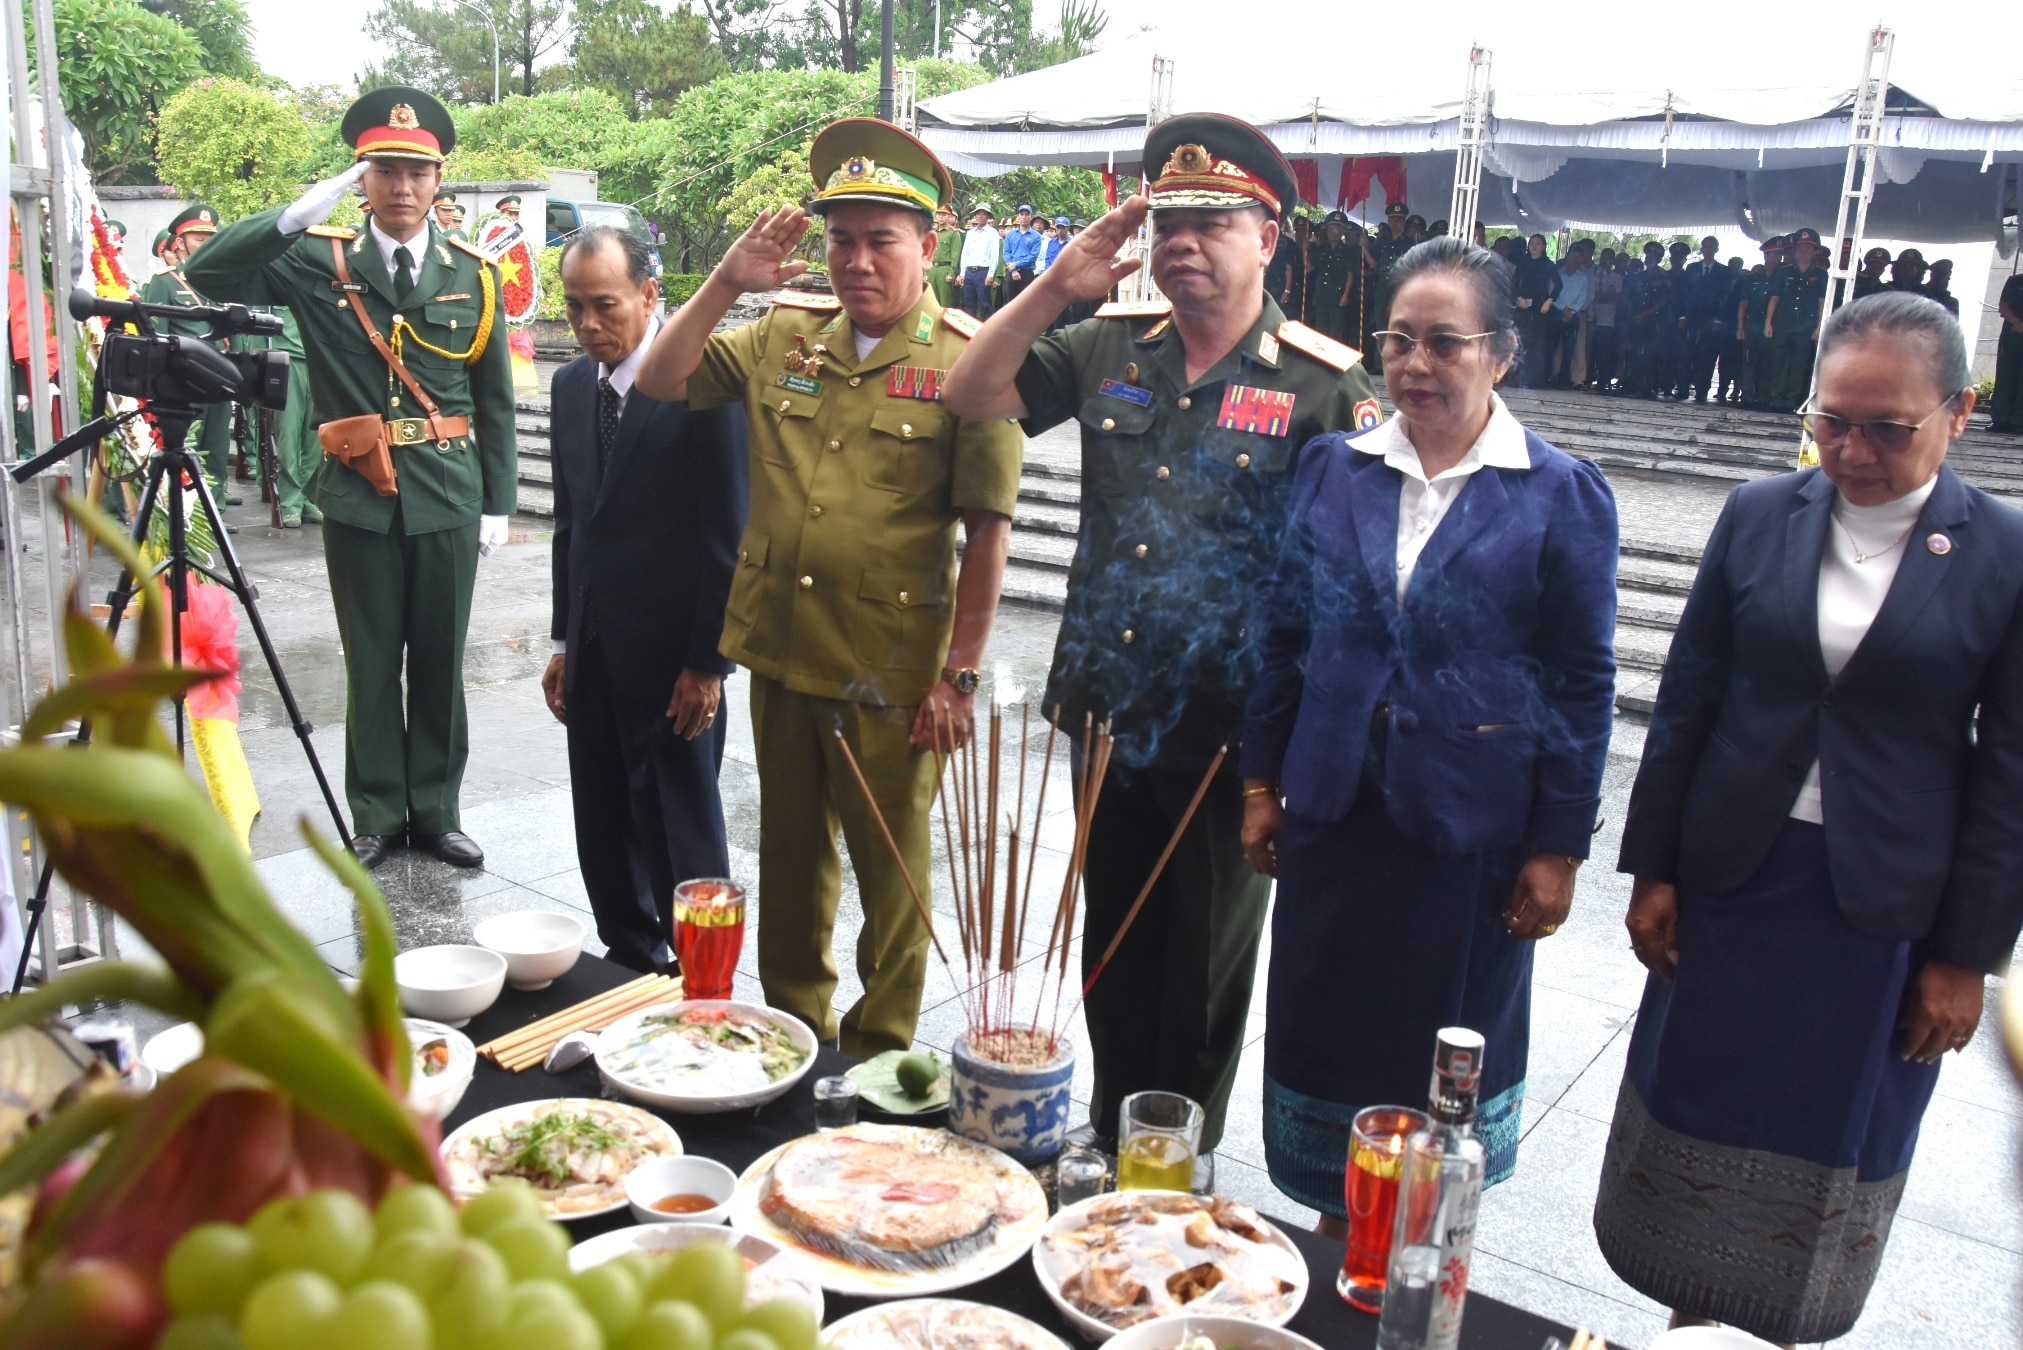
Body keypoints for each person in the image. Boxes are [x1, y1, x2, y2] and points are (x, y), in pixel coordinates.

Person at [943, 112, 1381, 1179]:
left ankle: (1172, 1163)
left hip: (1230, 737)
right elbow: (969, 391)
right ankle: (1110, 1129)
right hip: (1107, 710)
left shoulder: (1325, 388)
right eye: (1167, 222)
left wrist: (1295, 763)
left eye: (1212, 222)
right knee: (1112, 950)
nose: (1183, 242)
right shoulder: (1106, 346)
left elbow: (1352, 593)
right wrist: (1059, 282)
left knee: (1199, 971)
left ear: (1266, 237)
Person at [1594, 293, 2023, 1345]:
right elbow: (1690, 696)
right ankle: (1684, 1312)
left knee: (1830, 1132)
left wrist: (1967, 956)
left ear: (1959, 412)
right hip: (1735, 878)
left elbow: (2012, 771)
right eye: (1831, 420)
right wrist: (1653, 869)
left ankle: (1771, 1326)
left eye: (1887, 427)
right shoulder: (1759, 512)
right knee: (1696, 1100)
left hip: (1876, 914)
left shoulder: (2002, 552)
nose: (1851, 449)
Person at [1240, 234, 1618, 1221]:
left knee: (1438, 1057)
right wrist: (1258, 781)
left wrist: (1559, 848)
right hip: (1335, 812)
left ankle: (1417, 1268)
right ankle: (1333, 1254)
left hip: (1468, 835)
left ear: (1500, 351)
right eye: (1398, 340)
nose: (1414, 363)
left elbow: (1581, 681)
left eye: (1444, 342)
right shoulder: (1334, 467)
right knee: (1331, 1044)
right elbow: (1282, 635)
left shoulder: (1558, 494)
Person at [633, 118, 1020, 1056]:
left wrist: (957, 676)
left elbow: (989, 530)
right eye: (840, 239)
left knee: (892, 869)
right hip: (782, 642)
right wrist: (725, 281)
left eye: (880, 240)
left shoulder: (971, 360)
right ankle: (795, 1027)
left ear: (928, 246)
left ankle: (881, 1042)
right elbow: (658, 379)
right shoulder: (783, 336)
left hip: (892, 668)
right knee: (793, 851)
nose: (855, 261)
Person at [186, 86, 517, 870]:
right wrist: (296, 214)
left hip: (446, 491)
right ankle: (374, 813)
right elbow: (207, 270)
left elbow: (495, 397)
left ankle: (436, 811)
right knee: (370, 661)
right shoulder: (315, 259)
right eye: (384, 170)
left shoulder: (473, 273)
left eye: (417, 172)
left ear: (439, 182)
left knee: (439, 659)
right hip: (359, 498)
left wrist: (497, 502)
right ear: (360, 178)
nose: (402, 187)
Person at [543, 226, 748, 974]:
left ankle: (703, 976)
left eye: (605, 305)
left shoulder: (707, 383)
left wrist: (708, 665)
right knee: (601, 814)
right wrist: (565, 642)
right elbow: (573, 528)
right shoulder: (570, 387)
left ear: (650, 294)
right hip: (595, 646)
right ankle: (631, 957)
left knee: (679, 824)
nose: (589, 325)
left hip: (674, 657)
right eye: (573, 308)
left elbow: (729, 536)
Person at [140, 204, 238, 502]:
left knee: (217, 445)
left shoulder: (225, 281)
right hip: (184, 380)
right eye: (198, 238)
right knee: (187, 444)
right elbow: (155, 336)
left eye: (210, 237)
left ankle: (216, 506)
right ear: (180, 243)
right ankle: (188, 509)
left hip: (220, 375)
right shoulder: (165, 281)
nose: (205, 244)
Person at [1765, 226, 1829, 413]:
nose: (1802, 252)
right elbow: (1774, 298)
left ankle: (1790, 401)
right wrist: (1768, 321)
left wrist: (1819, 327)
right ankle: (1775, 399)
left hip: (1805, 328)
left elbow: (1822, 303)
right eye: (1800, 248)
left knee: (1798, 366)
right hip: (1782, 325)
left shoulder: (1821, 275)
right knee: (1778, 363)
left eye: (1807, 248)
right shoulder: (1784, 273)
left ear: (1815, 251)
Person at [1678, 236, 1732, 403]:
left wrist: (1719, 319)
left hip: (1712, 320)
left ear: (1716, 250)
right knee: (1687, 354)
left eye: (1711, 247)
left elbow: (1725, 298)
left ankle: (1702, 391)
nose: (1707, 250)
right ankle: (1682, 389)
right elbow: (1684, 293)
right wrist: (1682, 315)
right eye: (1705, 247)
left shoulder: (1723, 271)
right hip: (1692, 318)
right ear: (1701, 249)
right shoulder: (1692, 268)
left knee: (1707, 356)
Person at [1737, 235, 1787, 408]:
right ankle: (1748, 396)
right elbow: (1744, 303)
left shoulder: (1783, 276)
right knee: (1750, 361)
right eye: (1774, 255)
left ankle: (1763, 397)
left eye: (1779, 255)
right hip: (1752, 324)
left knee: (1768, 362)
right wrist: (1740, 326)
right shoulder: (1753, 277)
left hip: (1773, 326)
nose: (1777, 258)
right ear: (1765, 256)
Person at [1310, 211, 1361, 346]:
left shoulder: (1347, 252)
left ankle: (1332, 365)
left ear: (1343, 231)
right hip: (1322, 295)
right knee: (1320, 333)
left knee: (1335, 335)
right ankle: (1320, 363)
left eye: (1338, 228)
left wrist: (1345, 295)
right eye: (1332, 228)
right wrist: (1305, 251)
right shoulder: (1321, 250)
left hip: (1337, 297)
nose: (1334, 231)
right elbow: (1310, 269)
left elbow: (1350, 275)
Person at [1551, 238, 1596, 387]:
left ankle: (1574, 378)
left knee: (1575, 348)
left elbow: (1585, 297)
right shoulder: (1558, 273)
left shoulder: (1584, 276)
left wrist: (1571, 310)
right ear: (1568, 255)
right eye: (1574, 256)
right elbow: (1552, 293)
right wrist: (1563, 308)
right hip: (1557, 313)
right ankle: (1554, 375)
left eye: (1580, 257)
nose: (1577, 259)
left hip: (1576, 315)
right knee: (1556, 347)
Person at [1993, 270, 2023, 433]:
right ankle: (2000, 420)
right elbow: (2004, 307)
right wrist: (2018, 322)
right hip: (2012, 334)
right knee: (2005, 376)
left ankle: (2019, 422)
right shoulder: (2014, 282)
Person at [1591, 248, 1625, 391]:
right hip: (1592, 317)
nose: (1606, 260)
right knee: (1593, 352)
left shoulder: (1617, 277)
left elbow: (1616, 296)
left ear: (1614, 261)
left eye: (1609, 257)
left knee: (1606, 352)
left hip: (1609, 320)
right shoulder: (1593, 273)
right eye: (1603, 257)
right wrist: (1603, 296)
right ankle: (1593, 377)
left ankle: (1604, 379)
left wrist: (1601, 296)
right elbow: (1594, 295)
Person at [958, 202, 999, 318]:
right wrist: (962, 273)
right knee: (969, 304)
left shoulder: (992, 233)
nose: (980, 216)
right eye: (978, 214)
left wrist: (990, 274)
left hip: (983, 272)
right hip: (969, 272)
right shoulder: (970, 233)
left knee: (985, 304)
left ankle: (987, 331)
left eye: (983, 214)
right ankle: (968, 332)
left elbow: (994, 255)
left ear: (988, 216)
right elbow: (965, 253)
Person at [1002, 203, 1042, 305]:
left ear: (1030, 217)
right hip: (1011, 272)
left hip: (1027, 273)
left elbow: (1032, 257)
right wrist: (1014, 269)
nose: (1024, 217)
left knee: (1026, 304)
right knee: (1010, 303)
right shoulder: (1011, 234)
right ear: (1018, 216)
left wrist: (1016, 264)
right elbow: (1006, 253)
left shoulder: (1036, 236)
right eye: (1022, 214)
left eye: (1026, 214)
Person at [926, 205, 961, 307]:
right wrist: (925, 272)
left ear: (948, 216)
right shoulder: (932, 232)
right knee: (931, 301)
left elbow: (955, 254)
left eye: (944, 215)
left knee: (945, 302)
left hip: (945, 269)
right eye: (939, 214)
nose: (941, 217)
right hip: (932, 268)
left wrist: (951, 273)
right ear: (935, 216)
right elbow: (928, 252)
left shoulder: (953, 233)